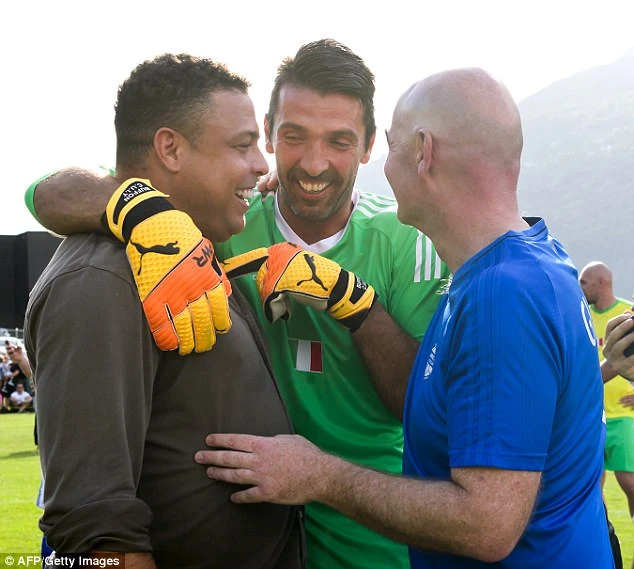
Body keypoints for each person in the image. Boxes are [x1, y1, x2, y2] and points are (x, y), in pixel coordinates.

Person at [26, 40, 448, 569]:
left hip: (367, 536)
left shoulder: (405, 236)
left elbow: (427, 411)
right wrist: (136, 208)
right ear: (271, 131)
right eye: (290, 137)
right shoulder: (202, 232)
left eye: (338, 141)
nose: (312, 162)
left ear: (368, 146)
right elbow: (45, 192)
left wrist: (357, 307)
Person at [193, 68, 614, 568]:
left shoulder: (504, 296)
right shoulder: (530, 263)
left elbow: (486, 525)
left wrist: (319, 474)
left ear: (423, 152)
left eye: (390, 146)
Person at [25, 53, 305, 569]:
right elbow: (95, 531)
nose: (262, 165)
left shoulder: (192, 249)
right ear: (170, 148)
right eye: (242, 146)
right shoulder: (101, 277)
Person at [579, 262, 634, 518]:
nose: (579, 287)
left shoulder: (627, 313)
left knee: (630, 484)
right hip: (590, 413)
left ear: (602, 283)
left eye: (584, 282)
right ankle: (606, 544)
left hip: (624, 414)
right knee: (591, 488)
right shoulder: (581, 315)